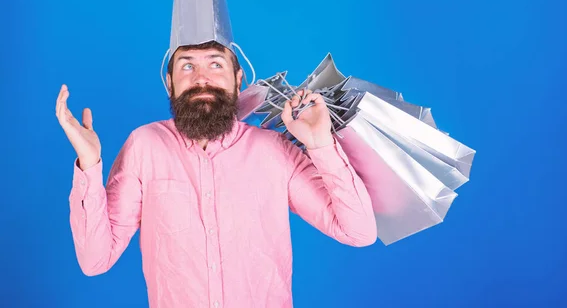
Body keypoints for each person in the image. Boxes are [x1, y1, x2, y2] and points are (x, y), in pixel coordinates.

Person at [56, 40, 377, 308]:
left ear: (238, 78)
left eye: (215, 64)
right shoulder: (145, 146)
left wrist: (320, 143)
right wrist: (89, 162)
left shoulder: (274, 151)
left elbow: (358, 232)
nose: (201, 78)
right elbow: (95, 259)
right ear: (169, 82)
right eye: (186, 66)